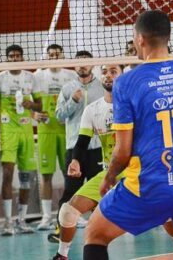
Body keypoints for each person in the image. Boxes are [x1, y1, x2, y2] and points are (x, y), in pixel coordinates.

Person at [83, 11, 173, 259]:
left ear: (140, 39)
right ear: (167, 38)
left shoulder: (126, 82)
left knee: (95, 234)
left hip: (150, 185)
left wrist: (109, 176)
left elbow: (123, 151)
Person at [52, 64, 122, 259]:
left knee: (168, 215)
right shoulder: (93, 110)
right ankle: (62, 255)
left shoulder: (133, 104)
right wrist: (75, 161)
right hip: (109, 174)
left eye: (114, 71)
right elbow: (82, 142)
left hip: (136, 173)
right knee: (67, 211)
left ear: (123, 74)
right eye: (105, 71)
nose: (108, 75)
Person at [50, 50, 104, 241]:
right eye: (79, 63)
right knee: (70, 191)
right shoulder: (67, 89)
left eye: (86, 62)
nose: (82, 66)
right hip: (75, 149)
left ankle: (101, 229)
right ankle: (60, 230)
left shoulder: (102, 87)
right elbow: (58, 116)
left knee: (101, 191)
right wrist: (73, 101)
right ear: (75, 66)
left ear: (93, 65)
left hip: (98, 148)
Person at [0, 44, 38, 235]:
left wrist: (30, 103)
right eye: (11, 56)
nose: (15, 58)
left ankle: (21, 220)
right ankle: (8, 222)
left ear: (22, 58)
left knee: (26, 179)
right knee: (8, 174)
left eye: (18, 56)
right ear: (7, 58)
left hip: (26, 132)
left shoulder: (30, 78)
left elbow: (40, 105)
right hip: (7, 133)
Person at [33, 44, 77, 230]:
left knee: (71, 175)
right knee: (46, 175)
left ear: (63, 55)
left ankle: (73, 214)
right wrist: (34, 115)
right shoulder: (38, 76)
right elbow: (31, 103)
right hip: (45, 131)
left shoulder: (71, 76)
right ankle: (46, 216)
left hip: (66, 131)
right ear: (47, 56)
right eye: (50, 55)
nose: (54, 57)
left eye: (57, 54)